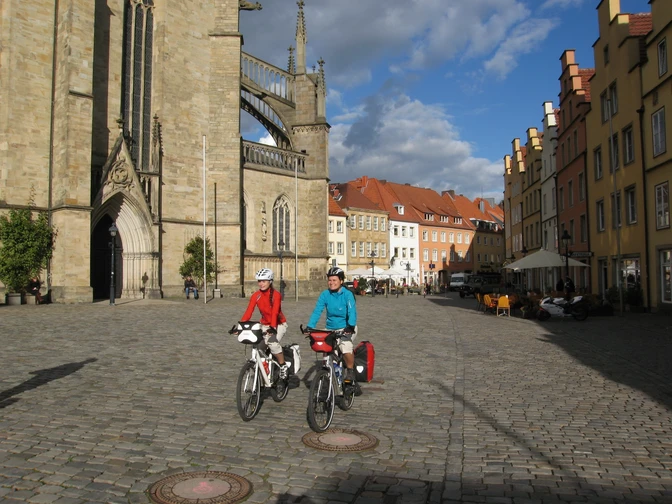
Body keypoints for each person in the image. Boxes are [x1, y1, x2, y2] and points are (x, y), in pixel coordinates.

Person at [306, 267, 358, 385]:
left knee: (345, 348)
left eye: (334, 280)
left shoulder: (347, 294)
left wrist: (350, 326)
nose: (331, 283)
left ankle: (350, 370)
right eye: (330, 280)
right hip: (330, 329)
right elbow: (317, 311)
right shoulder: (325, 294)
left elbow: (352, 311)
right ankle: (328, 371)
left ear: (341, 281)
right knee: (324, 347)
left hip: (346, 327)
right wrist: (310, 326)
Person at [240, 268, 289, 379]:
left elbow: (275, 312)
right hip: (265, 324)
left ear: (270, 281)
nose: (261, 283)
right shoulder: (256, 295)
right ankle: (264, 366)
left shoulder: (276, 295)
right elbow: (249, 311)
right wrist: (241, 326)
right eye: (259, 281)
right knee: (257, 345)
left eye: (264, 281)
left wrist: (272, 327)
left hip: (279, 324)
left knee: (272, 343)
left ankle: (282, 365)